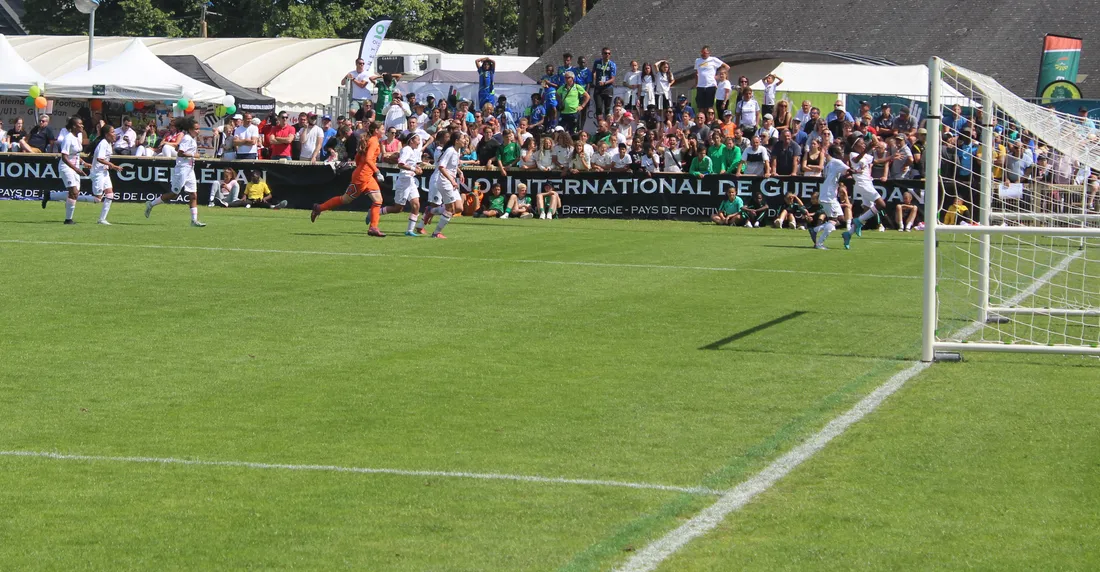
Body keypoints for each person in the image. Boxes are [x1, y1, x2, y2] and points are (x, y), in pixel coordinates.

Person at [310, 121, 385, 236]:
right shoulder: (374, 141)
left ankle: (373, 228)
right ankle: (319, 208)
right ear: (376, 131)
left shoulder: (370, 140)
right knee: (345, 199)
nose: (384, 131)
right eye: (382, 129)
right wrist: (377, 171)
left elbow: (358, 157)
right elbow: (369, 159)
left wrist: (364, 168)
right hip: (362, 176)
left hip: (366, 175)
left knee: (378, 200)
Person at [144, 117, 206, 227]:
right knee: (174, 194)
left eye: (198, 128)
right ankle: (151, 204)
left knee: (193, 195)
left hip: (190, 169)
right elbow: (180, 153)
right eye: (196, 129)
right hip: (182, 169)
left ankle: (194, 220)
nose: (198, 131)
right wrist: (193, 155)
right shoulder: (187, 138)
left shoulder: (191, 138)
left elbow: (178, 148)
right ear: (190, 129)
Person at [40, 117, 91, 224]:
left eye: (82, 124)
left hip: (75, 167)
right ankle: (68, 220)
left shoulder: (78, 137)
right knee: (74, 191)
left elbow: (75, 154)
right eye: (79, 124)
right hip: (66, 168)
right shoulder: (68, 138)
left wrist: (83, 163)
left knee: (75, 194)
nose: (82, 126)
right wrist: (76, 169)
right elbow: (64, 157)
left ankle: (49, 195)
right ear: (73, 126)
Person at [417, 131, 466, 238]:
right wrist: (452, 180)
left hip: (449, 180)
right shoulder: (447, 150)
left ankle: (431, 211)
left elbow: (450, 164)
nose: (465, 140)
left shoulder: (455, 151)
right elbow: (441, 166)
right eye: (463, 138)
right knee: (449, 208)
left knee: (459, 208)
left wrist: (459, 172)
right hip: (443, 180)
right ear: (456, 141)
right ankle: (435, 232)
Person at [850, 135, 892, 236]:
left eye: (864, 143)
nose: (864, 144)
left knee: (867, 208)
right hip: (862, 184)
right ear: (855, 145)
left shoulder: (866, 156)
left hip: (868, 183)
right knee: (881, 204)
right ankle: (858, 221)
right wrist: (869, 148)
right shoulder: (853, 154)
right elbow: (856, 160)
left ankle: (850, 232)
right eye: (861, 143)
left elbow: (877, 161)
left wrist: (891, 157)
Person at [812, 144, 852, 250]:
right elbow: (850, 171)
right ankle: (819, 243)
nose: (842, 153)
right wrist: (859, 171)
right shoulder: (837, 162)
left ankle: (815, 230)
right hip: (829, 196)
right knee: (833, 220)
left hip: (830, 195)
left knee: (840, 219)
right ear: (834, 153)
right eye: (840, 151)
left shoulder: (830, 163)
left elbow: (842, 174)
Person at [386, 132, 425, 236]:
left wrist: (418, 168)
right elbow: (401, 164)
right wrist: (414, 169)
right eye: (417, 139)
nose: (419, 141)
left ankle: (410, 230)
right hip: (404, 180)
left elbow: (413, 165)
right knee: (397, 208)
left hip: (410, 180)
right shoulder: (406, 149)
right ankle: (374, 212)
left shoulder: (413, 150)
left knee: (416, 205)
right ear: (411, 141)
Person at [694, 46, 729, 112]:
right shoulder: (698, 60)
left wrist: (718, 76)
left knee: (709, 107)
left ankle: (709, 121)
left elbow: (727, 67)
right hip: (700, 86)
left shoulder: (713, 59)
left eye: (705, 53)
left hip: (710, 86)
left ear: (709, 53)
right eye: (702, 52)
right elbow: (696, 73)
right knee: (700, 106)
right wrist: (696, 83)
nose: (703, 54)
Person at [592, 47, 617, 122]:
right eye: (605, 53)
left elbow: (613, 79)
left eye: (609, 53)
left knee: (607, 109)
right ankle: (600, 126)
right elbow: (593, 72)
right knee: (599, 108)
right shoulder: (597, 62)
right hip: (598, 88)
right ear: (602, 54)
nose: (607, 55)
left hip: (608, 88)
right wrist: (594, 80)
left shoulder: (612, 64)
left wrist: (604, 82)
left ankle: (607, 126)